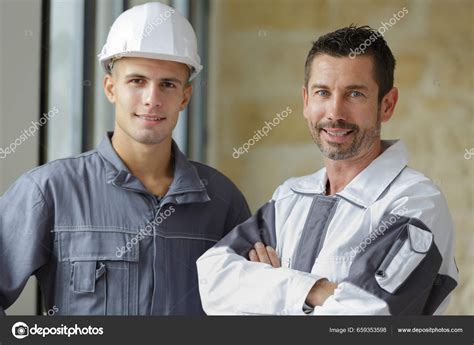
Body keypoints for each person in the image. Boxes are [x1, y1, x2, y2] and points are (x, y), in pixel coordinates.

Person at [0, 2, 250, 315]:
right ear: (110, 88)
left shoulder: (222, 201)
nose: (152, 99)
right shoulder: (49, 191)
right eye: (137, 81)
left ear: (185, 97)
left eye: (168, 84)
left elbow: (249, 310)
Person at [197, 25, 458, 315]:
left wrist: (265, 288)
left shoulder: (415, 203)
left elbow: (365, 317)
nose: (335, 113)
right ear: (306, 102)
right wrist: (315, 291)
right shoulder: (289, 198)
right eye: (323, 92)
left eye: (355, 94)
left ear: (387, 104)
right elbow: (212, 281)